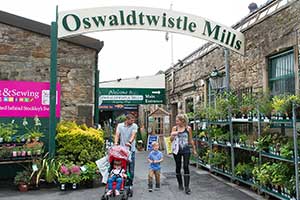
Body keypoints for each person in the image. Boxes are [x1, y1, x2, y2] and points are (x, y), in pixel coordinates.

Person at [170, 114, 197, 195]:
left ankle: (187, 187)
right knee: (178, 166)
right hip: (177, 150)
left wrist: (194, 149)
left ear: (183, 121)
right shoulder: (175, 128)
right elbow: (171, 140)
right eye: (176, 120)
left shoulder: (188, 129)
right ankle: (180, 184)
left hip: (186, 150)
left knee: (186, 166)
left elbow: (191, 140)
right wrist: (174, 134)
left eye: (178, 120)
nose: (176, 122)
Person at [114, 114, 138, 187]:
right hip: (122, 150)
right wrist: (115, 143)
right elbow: (117, 135)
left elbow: (133, 135)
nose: (133, 122)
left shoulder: (134, 126)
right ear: (127, 120)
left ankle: (130, 183)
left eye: (133, 120)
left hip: (131, 149)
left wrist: (130, 142)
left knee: (131, 167)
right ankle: (121, 181)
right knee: (122, 166)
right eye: (131, 120)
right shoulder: (120, 126)